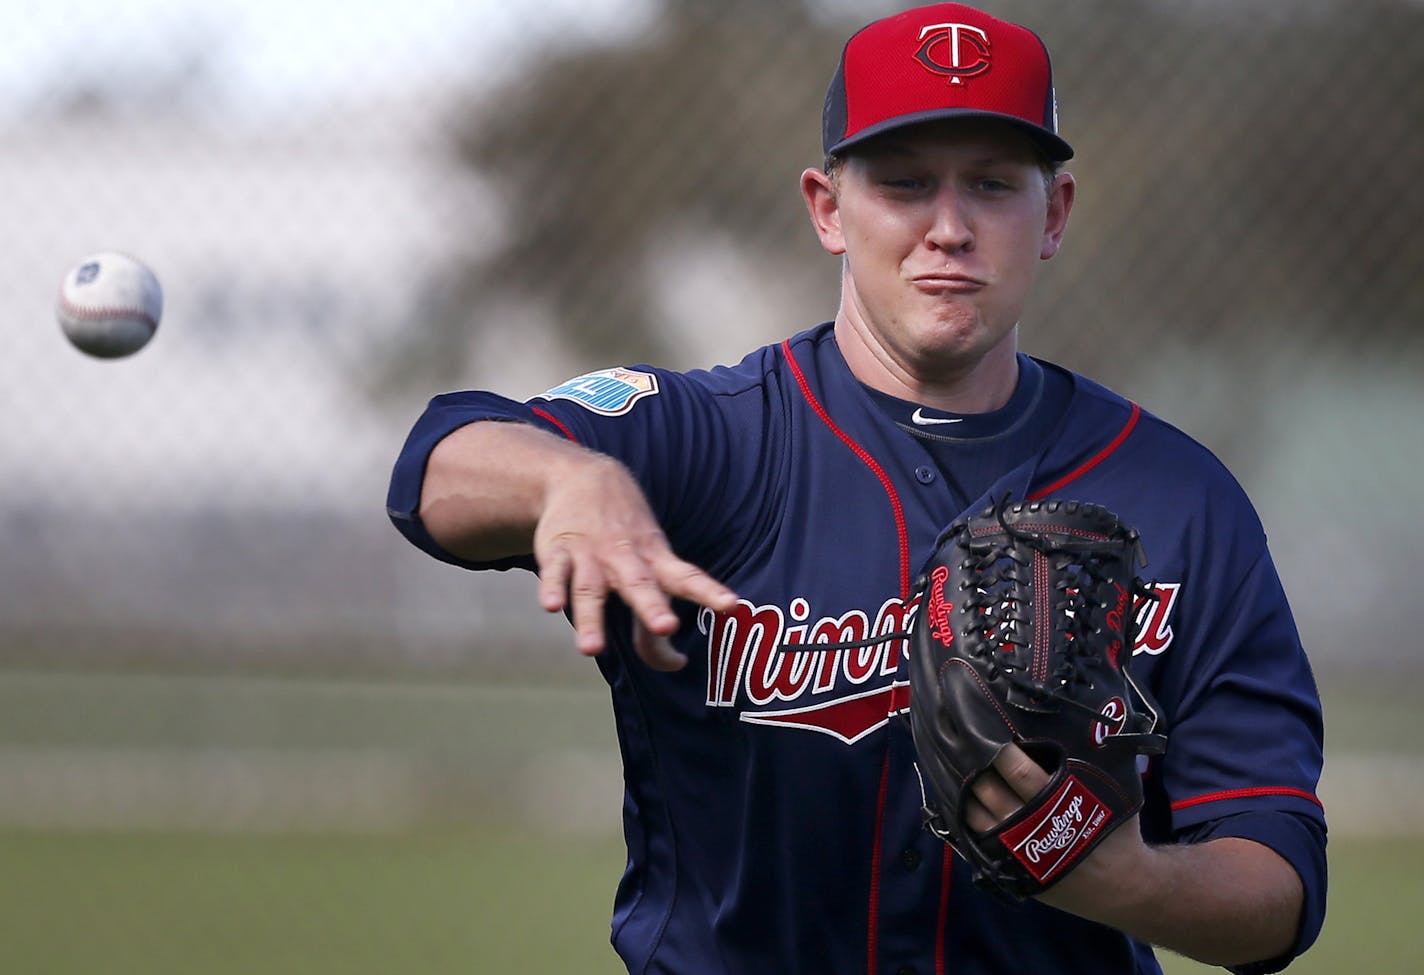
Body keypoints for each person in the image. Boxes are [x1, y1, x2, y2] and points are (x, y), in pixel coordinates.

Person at [387, 4, 1327, 973]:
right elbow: (438, 467)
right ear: (827, 208)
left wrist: (1100, 873)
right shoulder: (713, 439)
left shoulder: (1177, 497)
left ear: (1051, 215)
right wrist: (569, 478)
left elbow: (1277, 881)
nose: (948, 228)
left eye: (992, 185)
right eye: (904, 183)